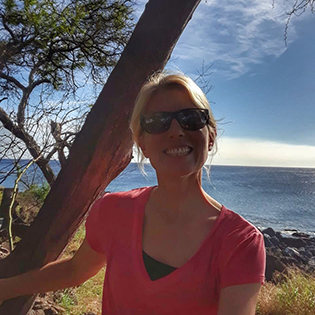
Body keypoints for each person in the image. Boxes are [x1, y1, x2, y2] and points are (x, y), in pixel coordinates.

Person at [0, 72, 266, 314]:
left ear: (210, 136)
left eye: (191, 118)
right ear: (142, 144)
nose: (176, 131)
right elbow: (75, 270)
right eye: (158, 122)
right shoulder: (114, 210)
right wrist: (7, 288)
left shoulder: (240, 243)